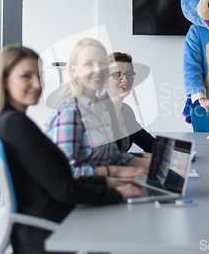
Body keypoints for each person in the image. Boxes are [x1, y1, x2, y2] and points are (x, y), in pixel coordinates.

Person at [0, 45, 146, 254]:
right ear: (5, 81)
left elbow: (59, 178)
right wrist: (116, 193)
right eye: (26, 77)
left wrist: (109, 182)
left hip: (49, 220)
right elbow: (64, 187)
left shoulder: (10, 121)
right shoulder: (16, 125)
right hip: (50, 229)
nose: (37, 84)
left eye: (39, 76)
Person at [46, 38, 150, 177]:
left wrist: (167, 163)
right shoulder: (70, 112)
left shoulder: (100, 110)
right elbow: (65, 174)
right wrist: (115, 172)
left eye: (102, 64)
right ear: (74, 70)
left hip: (102, 187)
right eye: (89, 64)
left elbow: (115, 157)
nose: (98, 69)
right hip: (81, 195)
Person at [101, 52, 155, 153]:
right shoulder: (98, 109)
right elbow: (105, 156)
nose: (125, 80)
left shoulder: (126, 111)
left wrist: (181, 155)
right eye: (117, 75)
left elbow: (149, 143)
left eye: (129, 74)